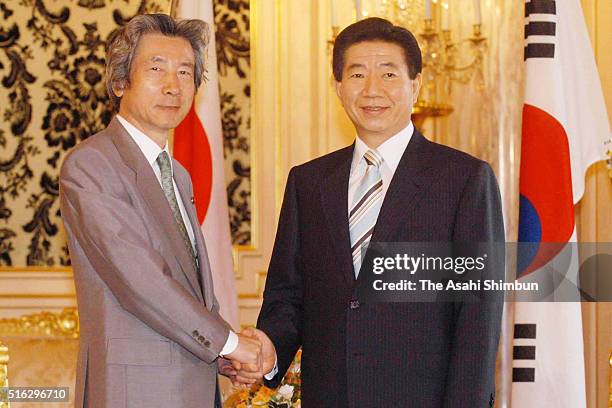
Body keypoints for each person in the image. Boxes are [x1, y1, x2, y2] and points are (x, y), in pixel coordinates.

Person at [234, 18, 505, 407]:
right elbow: (287, 296)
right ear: (339, 87)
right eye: (358, 74)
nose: (372, 89)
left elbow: (477, 316)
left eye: (389, 74)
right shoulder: (308, 182)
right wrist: (269, 348)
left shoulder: (464, 180)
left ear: (415, 85)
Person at [59, 14, 262, 408]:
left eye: (185, 72)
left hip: (194, 388)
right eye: (157, 69)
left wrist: (220, 354)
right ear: (120, 81)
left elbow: (189, 291)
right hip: (133, 393)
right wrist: (232, 343)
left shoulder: (178, 175)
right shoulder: (91, 165)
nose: (173, 85)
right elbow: (141, 282)